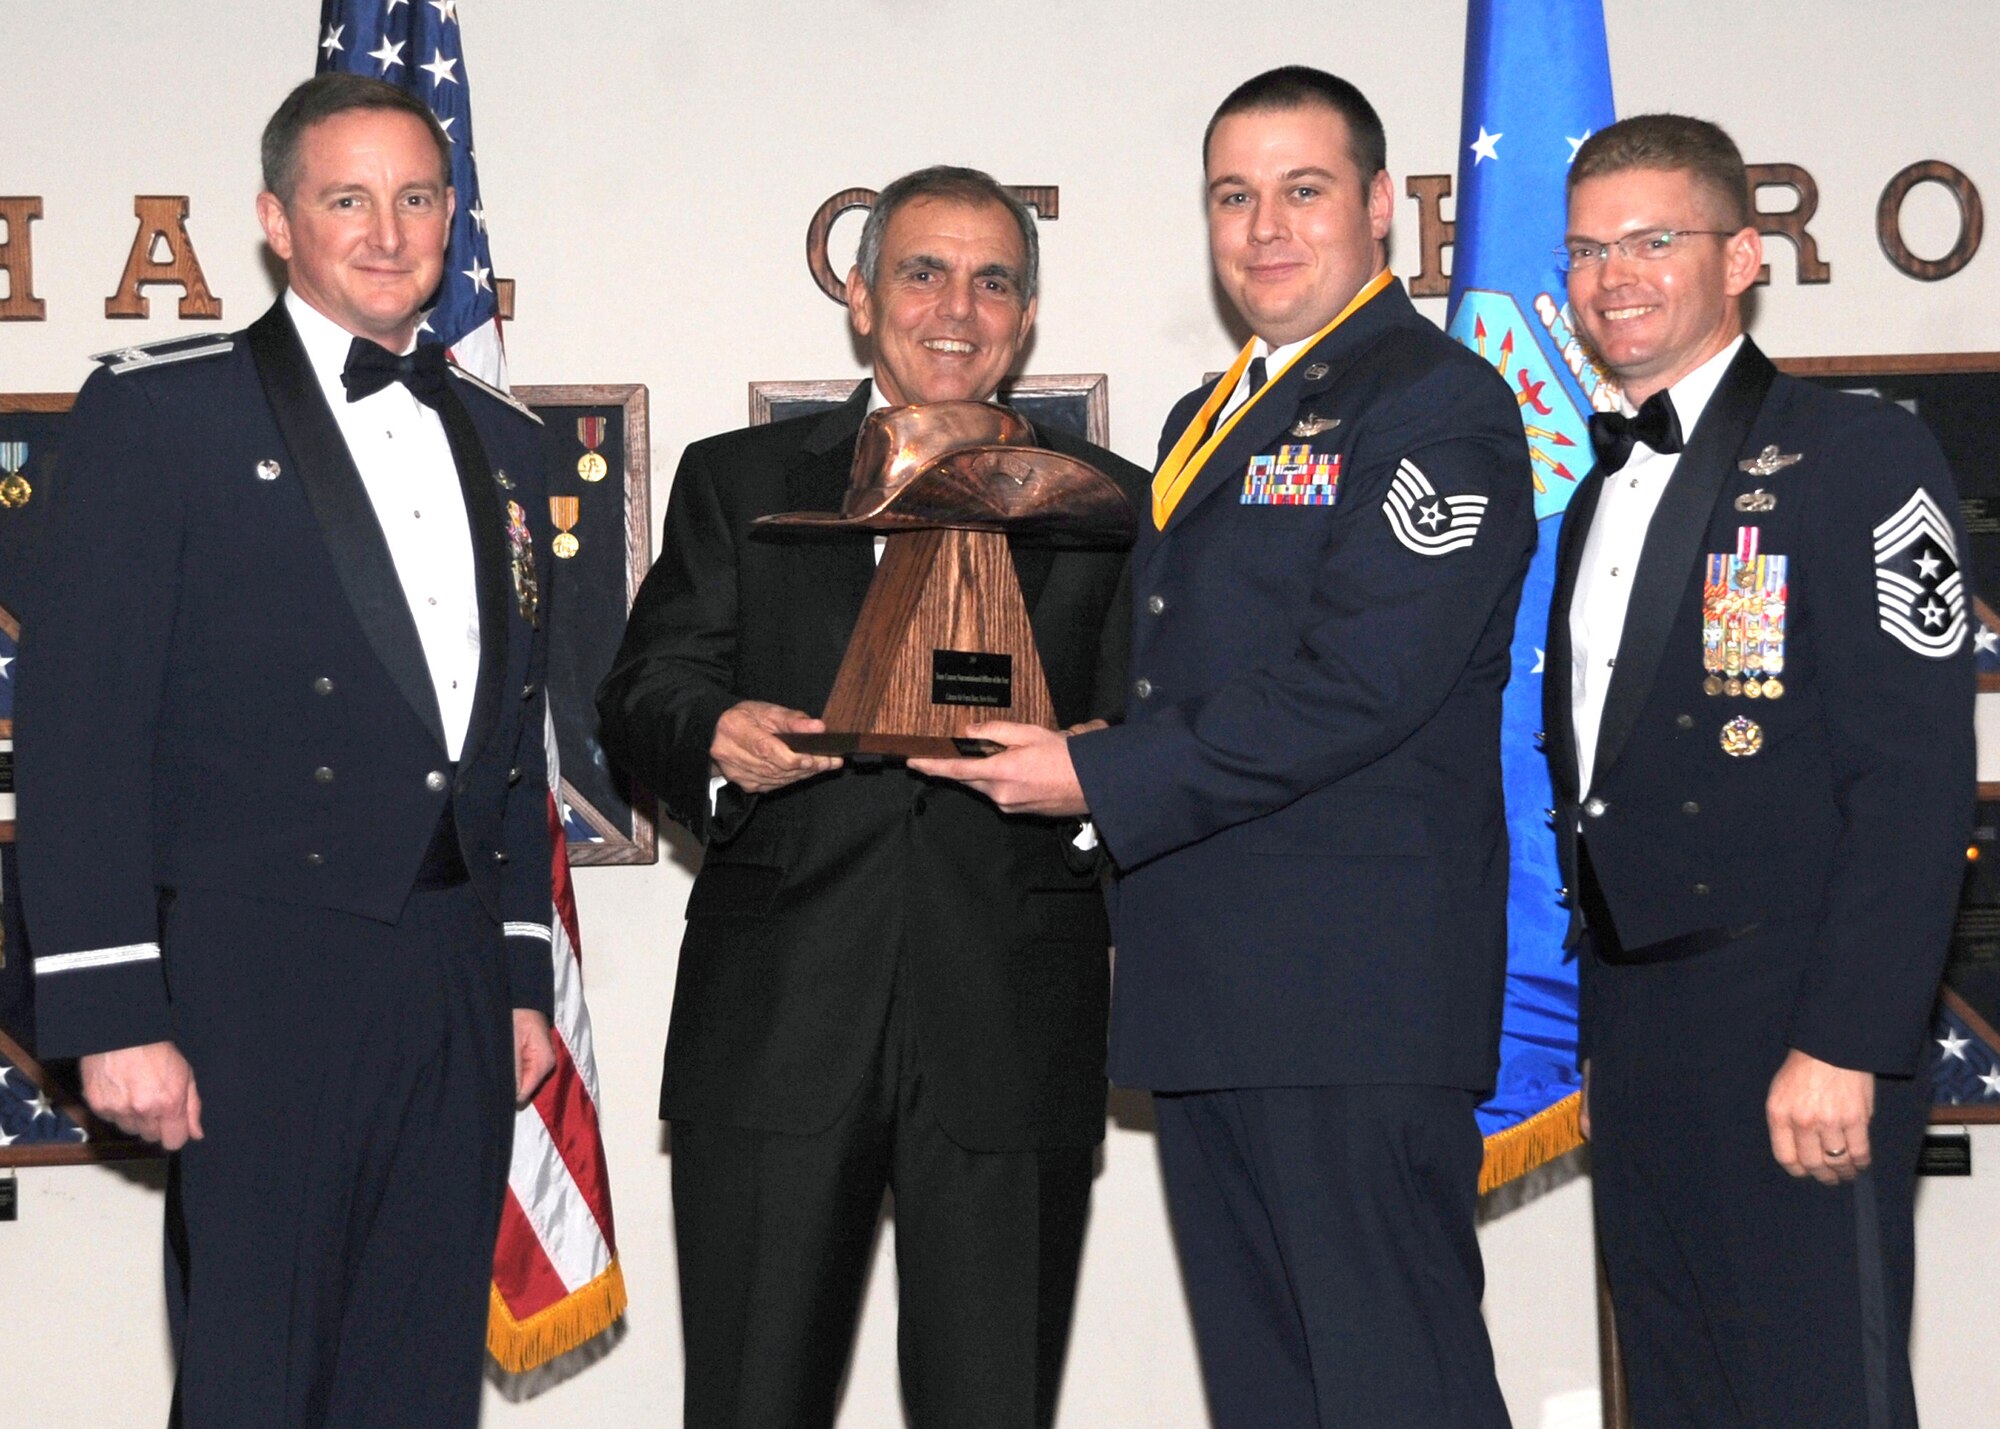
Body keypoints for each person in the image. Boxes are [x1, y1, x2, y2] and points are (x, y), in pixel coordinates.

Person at [913, 68, 1531, 1428]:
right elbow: (1213, 670)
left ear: (1380, 206)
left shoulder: (1438, 405)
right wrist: (1098, 737)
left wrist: (1104, 773)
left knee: (1393, 1387)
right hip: (1215, 990)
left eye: (1302, 190)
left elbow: (1362, 683)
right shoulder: (1212, 413)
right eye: (1233, 196)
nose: (1264, 227)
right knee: (1272, 1395)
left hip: (1352, 999)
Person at [16, 73, 558, 1427]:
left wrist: (516, 975)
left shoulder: (505, 443)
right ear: (276, 220)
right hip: (254, 972)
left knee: (419, 1370)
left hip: (446, 975)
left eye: (418, 196)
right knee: (259, 1374)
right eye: (346, 198)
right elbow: (80, 729)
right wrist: (112, 1009)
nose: (388, 230)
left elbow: (505, 745)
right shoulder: (163, 411)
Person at [595, 165, 1147, 1429]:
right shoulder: (738, 479)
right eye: (921, 270)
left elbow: (1153, 732)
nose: (955, 306)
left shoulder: (1110, 501)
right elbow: (643, 690)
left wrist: (1089, 774)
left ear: (1025, 313)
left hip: (1012, 1022)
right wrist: (713, 733)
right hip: (777, 1020)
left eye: (991, 279)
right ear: (859, 296)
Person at [1543, 114, 1973, 1428]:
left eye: (1655, 239)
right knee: (1673, 1389)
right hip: (1638, 1023)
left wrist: (1844, 1040)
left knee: (1815, 1394)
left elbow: (1912, 778)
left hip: (1795, 1023)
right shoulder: (1587, 498)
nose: (1616, 275)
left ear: (1744, 256)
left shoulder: (1857, 456)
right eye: (1589, 250)